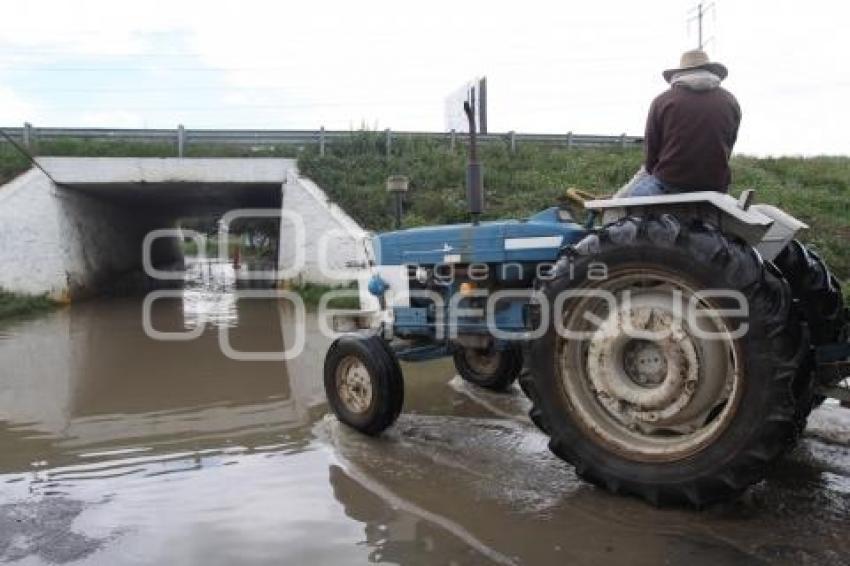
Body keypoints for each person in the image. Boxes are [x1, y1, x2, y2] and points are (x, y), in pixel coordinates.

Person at [618, 49, 741, 197]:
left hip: (669, 183)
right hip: (716, 186)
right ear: (710, 71)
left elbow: (651, 155)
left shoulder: (662, 101)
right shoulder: (730, 101)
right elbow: (728, 145)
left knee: (623, 204)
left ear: (679, 73)